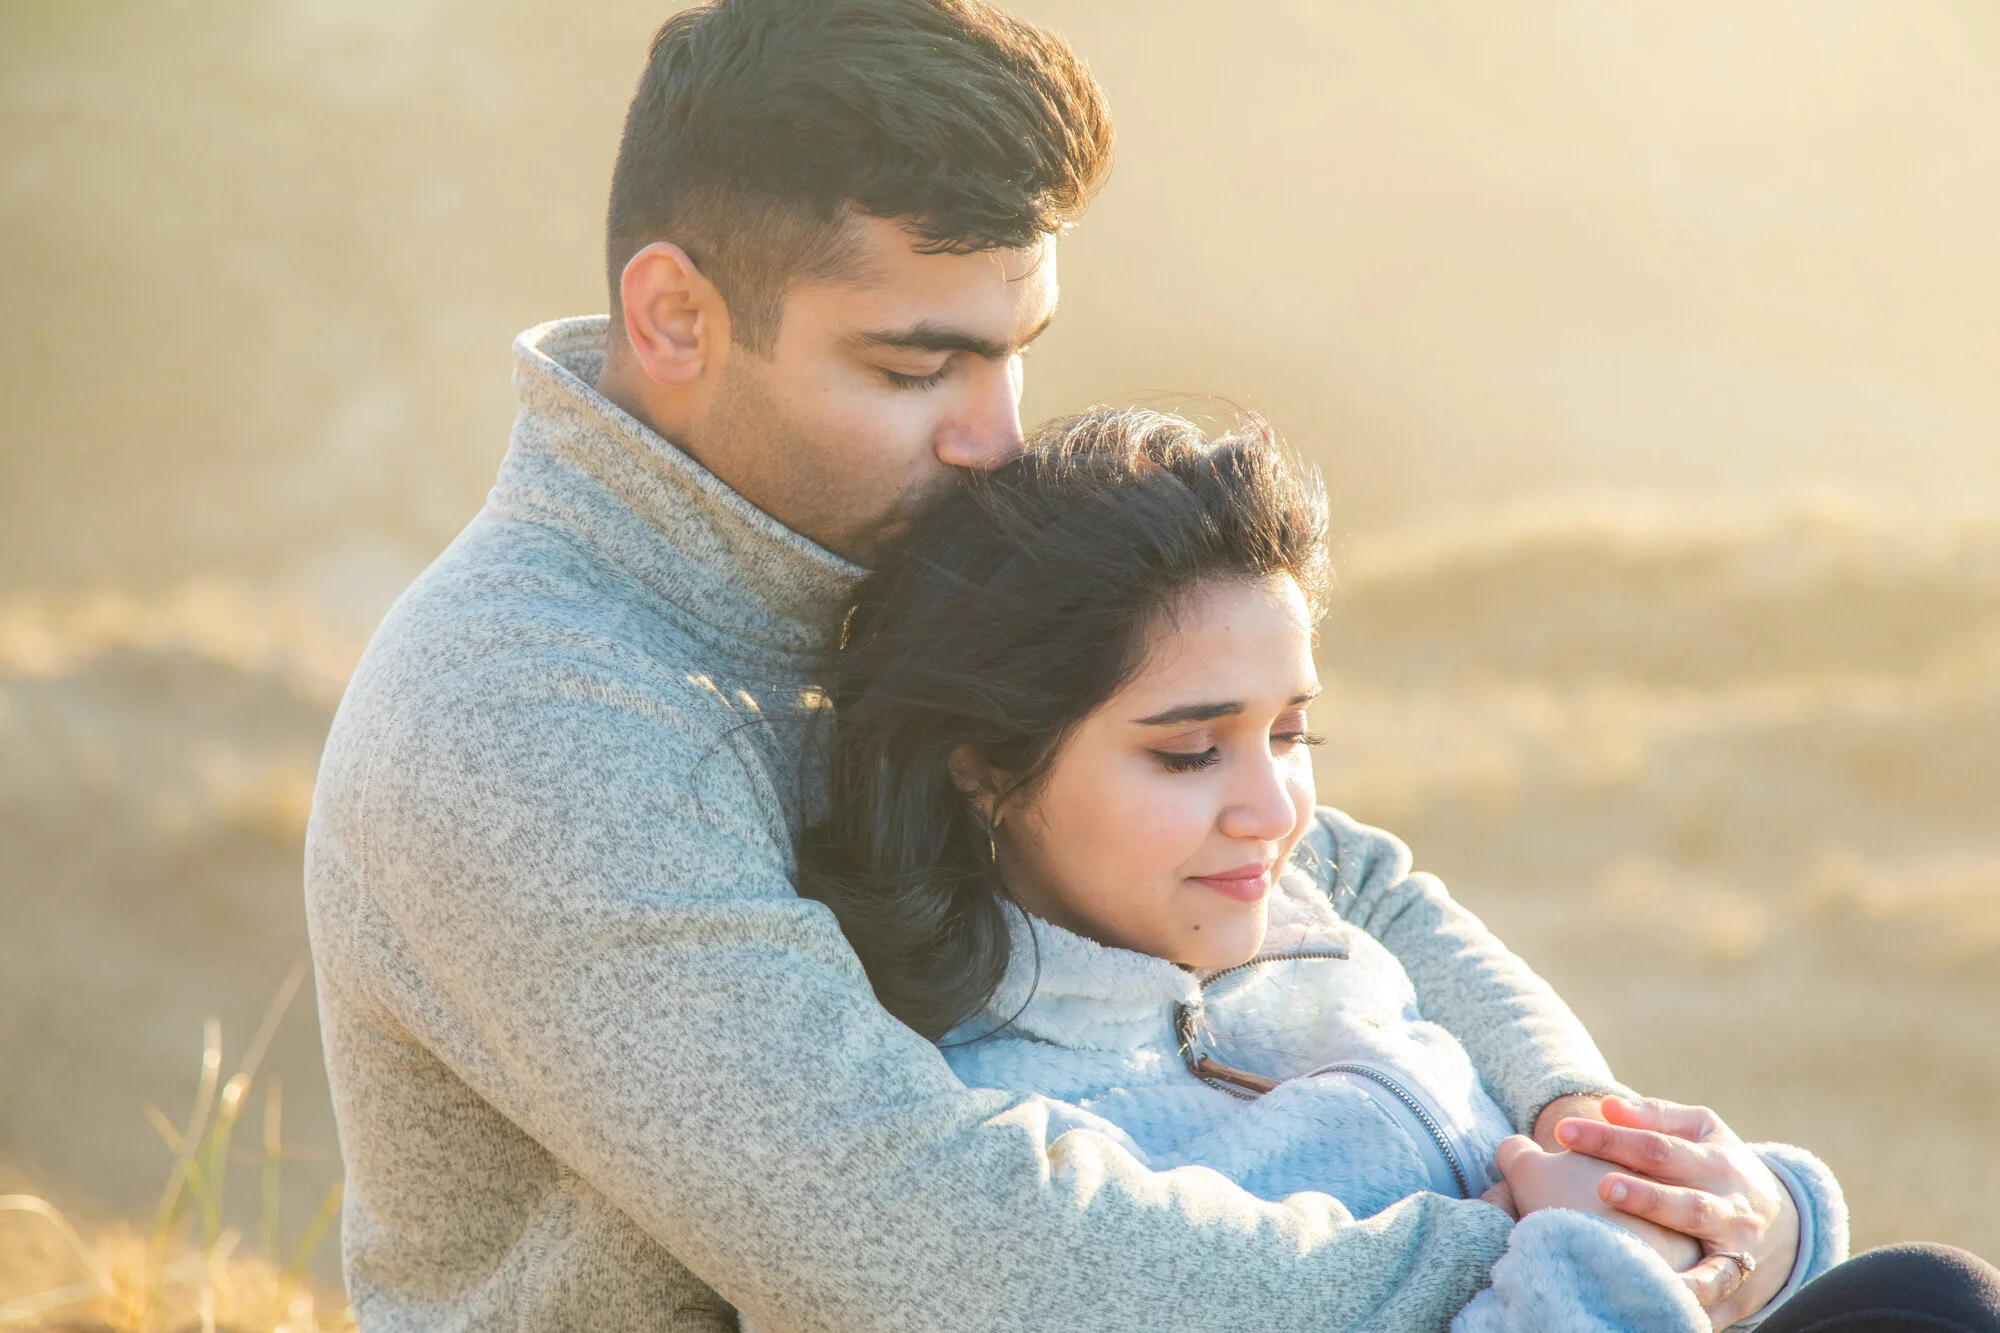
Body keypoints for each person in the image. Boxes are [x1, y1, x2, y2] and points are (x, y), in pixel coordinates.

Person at [306, 1, 1799, 1327]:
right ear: (675, 317)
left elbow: (1336, 875)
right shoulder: (520, 715)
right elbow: (931, 1246)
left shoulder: (845, 545)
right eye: (917, 366)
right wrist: (1533, 1254)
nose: (997, 436)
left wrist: (1598, 1134)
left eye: (1015, 350)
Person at [794, 404, 2000, 1333]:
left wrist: (1753, 1220)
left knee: (1929, 1296)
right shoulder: (1017, 1136)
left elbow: (1647, 1211)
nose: (1273, 810)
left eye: (1289, 734)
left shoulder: (1304, 930)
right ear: (984, 771)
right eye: (1187, 753)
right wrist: (1601, 1252)